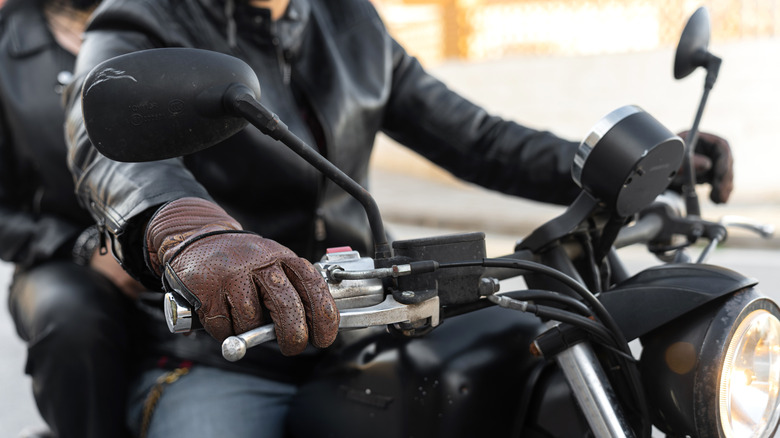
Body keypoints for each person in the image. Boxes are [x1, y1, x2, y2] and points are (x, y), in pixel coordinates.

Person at [62, 0, 734, 436]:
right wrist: (193, 231)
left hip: (365, 326)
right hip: (225, 351)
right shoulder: (142, 21)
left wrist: (621, 166)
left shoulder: (349, 21)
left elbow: (475, 137)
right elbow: (105, 142)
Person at [0, 1, 145, 437]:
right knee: (69, 319)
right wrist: (83, 248)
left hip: (182, 236)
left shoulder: (174, 19)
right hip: (59, 255)